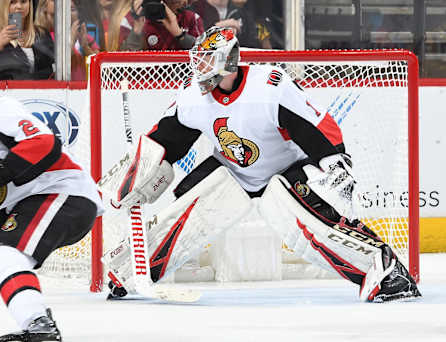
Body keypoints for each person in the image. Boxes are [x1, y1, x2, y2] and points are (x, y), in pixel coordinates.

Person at [103, 26, 421, 304]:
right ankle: (129, 270)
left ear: (228, 60)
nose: (200, 67)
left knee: (312, 230)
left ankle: (387, 270)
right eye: (197, 60)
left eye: (208, 59)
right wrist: (141, 173)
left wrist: (334, 161)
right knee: (183, 212)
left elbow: (315, 126)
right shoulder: (194, 99)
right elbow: (166, 139)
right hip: (232, 171)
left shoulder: (269, 87)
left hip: (285, 170)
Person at [0, 96, 104, 341]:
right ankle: (35, 321)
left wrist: (3, 172)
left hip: (61, 191)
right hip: (30, 203)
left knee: (5, 252)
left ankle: (38, 325)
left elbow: (43, 142)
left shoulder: (3, 108)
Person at [0, 0, 54, 80]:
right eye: (13, 2)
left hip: (40, 90)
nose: (19, 6)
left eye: (23, 1)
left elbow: (52, 69)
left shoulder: (41, 34)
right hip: (7, 91)